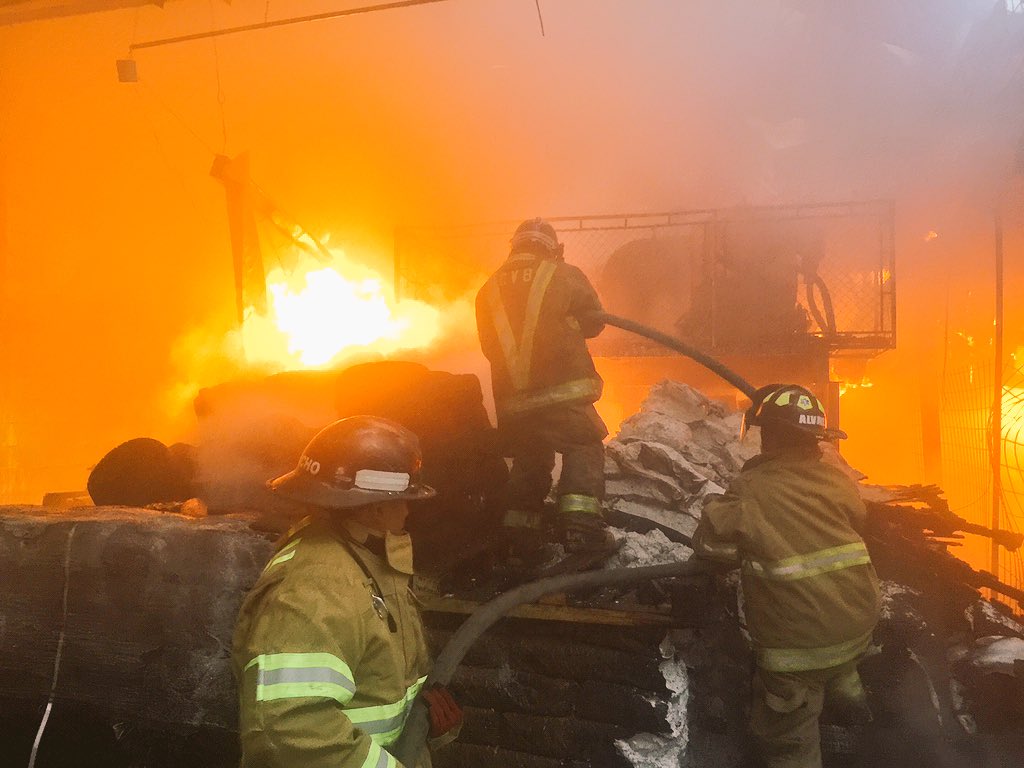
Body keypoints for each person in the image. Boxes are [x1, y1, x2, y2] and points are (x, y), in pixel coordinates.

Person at [232, 415, 462, 768]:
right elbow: (290, 728)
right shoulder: (320, 583)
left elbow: (379, 695)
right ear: (374, 505)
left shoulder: (366, 561)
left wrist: (424, 726)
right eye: (402, 498)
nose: (407, 508)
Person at [691, 384, 881, 768]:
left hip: (797, 649)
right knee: (839, 661)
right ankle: (852, 701)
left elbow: (710, 547)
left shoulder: (751, 490)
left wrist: (717, 506)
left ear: (770, 436)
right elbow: (857, 520)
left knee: (786, 738)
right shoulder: (838, 481)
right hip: (858, 622)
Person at [475, 217, 613, 555]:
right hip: (562, 393)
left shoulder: (487, 289)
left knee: (531, 459)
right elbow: (595, 322)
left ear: (514, 246)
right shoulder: (563, 274)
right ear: (553, 248)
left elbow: (489, 347)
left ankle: (519, 539)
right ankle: (581, 529)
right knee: (583, 445)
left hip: (514, 403)